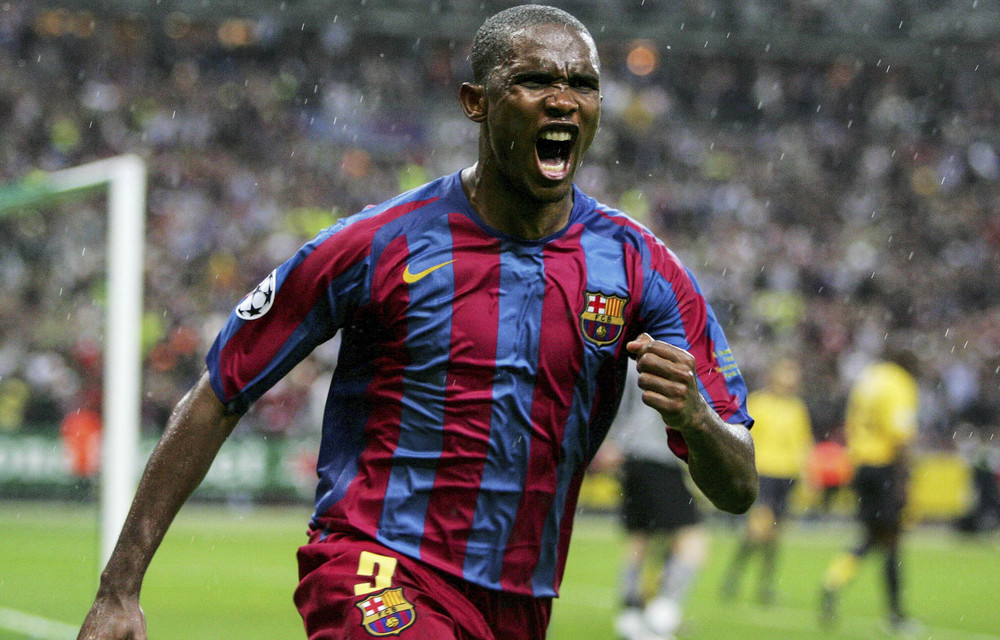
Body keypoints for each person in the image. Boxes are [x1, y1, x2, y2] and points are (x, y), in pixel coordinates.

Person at [77, 5, 757, 640]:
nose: (562, 99)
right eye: (533, 80)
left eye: (582, 84)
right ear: (476, 103)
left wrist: (695, 418)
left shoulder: (643, 268)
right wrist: (119, 586)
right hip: (374, 564)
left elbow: (739, 486)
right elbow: (221, 391)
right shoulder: (377, 245)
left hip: (520, 600)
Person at [594, 365, 709, 640]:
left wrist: (611, 440)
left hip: (632, 456)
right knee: (693, 541)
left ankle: (631, 615)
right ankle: (661, 618)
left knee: (640, 538)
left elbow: (615, 402)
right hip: (657, 457)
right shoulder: (675, 354)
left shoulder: (630, 356)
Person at [820, 346, 920, 633]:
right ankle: (896, 615)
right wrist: (904, 478)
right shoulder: (900, 382)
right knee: (891, 540)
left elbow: (852, 422)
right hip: (885, 465)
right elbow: (900, 433)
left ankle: (834, 579)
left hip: (861, 464)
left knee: (871, 537)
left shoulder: (869, 378)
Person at [720, 357, 813, 605]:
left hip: (787, 476)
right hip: (764, 474)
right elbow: (746, 440)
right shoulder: (759, 404)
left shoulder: (797, 409)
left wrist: (807, 475)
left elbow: (803, 445)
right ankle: (735, 576)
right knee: (758, 530)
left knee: (774, 535)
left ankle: (763, 585)